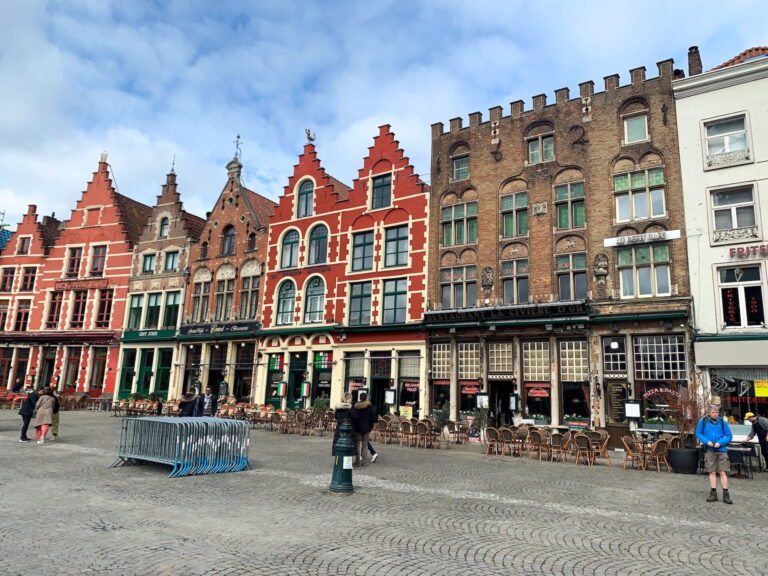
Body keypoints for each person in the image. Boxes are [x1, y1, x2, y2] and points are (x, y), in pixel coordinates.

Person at [695, 404, 733, 504]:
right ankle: (713, 493)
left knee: (722, 472)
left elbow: (729, 436)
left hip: (721, 450)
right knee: (711, 472)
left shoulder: (722, 422)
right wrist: (707, 441)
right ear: (709, 413)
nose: (716, 414)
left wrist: (720, 442)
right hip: (710, 450)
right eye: (713, 412)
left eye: (717, 412)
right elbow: (698, 433)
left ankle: (726, 494)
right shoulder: (702, 422)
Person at [352, 392, 377, 467]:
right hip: (366, 428)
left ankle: (357, 460)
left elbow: (354, 416)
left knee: (357, 444)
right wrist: (370, 426)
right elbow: (372, 418)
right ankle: (364, 461)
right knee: (365, 444)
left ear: (359, 398)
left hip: (357, 427)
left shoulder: (355, 406)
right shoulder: (370, 407)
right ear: (366, 398)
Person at [332, 392, 356, 458]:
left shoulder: (338, 408)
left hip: (339, 428)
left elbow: (336, 417)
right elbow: (355, 417)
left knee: (338, 444)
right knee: (348, 445)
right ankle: (347, 465)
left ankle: (338, 461)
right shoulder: (351, 408)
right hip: (348, 429)